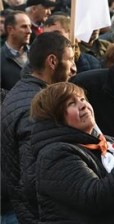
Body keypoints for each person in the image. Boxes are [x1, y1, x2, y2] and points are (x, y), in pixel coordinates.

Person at [29, 82, 114, 223]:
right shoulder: (55, 155)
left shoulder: (112, 143)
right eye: (71, 103)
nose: (83, 105)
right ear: (56, 118)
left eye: (82, 99)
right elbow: (96, 199)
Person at [1, 32, 77, 223]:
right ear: (52, 61)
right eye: (70, 60)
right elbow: (33, 179)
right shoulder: (36, 107)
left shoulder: (24, 91)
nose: (74, 68)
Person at [1, 11, 31, 93]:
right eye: (24, 27)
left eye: (30, 26)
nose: (29, 31)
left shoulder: (36, 54)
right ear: (10, 30)